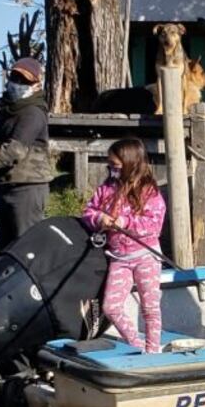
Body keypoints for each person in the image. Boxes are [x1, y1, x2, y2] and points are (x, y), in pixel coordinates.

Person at [83, 139, 167, 353]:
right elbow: (88, 212)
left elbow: (154, 224)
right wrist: (99, 218)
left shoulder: (149, 192)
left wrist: (125, 222)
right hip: (119, 258)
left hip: (146, 255)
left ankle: (153, 350)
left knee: (150, 307)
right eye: (109, 166)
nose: (112, 170)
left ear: (130, 163)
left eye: (116, 166)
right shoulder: (106, 189)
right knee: (111, 307)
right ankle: (137, 345)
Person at [0, 57, 53, 251]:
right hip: (5, 186)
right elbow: (3, 140)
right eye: (15, 77)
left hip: (27, 188)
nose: (18, 83)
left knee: (26, 248)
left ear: (37, 85)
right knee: (5, 250)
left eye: (25, 81)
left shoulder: (33, 113)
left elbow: (14, 150)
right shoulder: (9, 109)